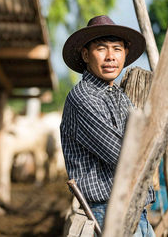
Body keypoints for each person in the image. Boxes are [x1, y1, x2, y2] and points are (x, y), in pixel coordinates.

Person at [60, 15, 155, 236]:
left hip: (134, 208)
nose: (110, 56)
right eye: (101, 49)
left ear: (125, 54)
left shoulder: (120, 96)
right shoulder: (83, 97)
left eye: (117, 49)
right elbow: (124, 155)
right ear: (85, 54)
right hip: (107, 210)